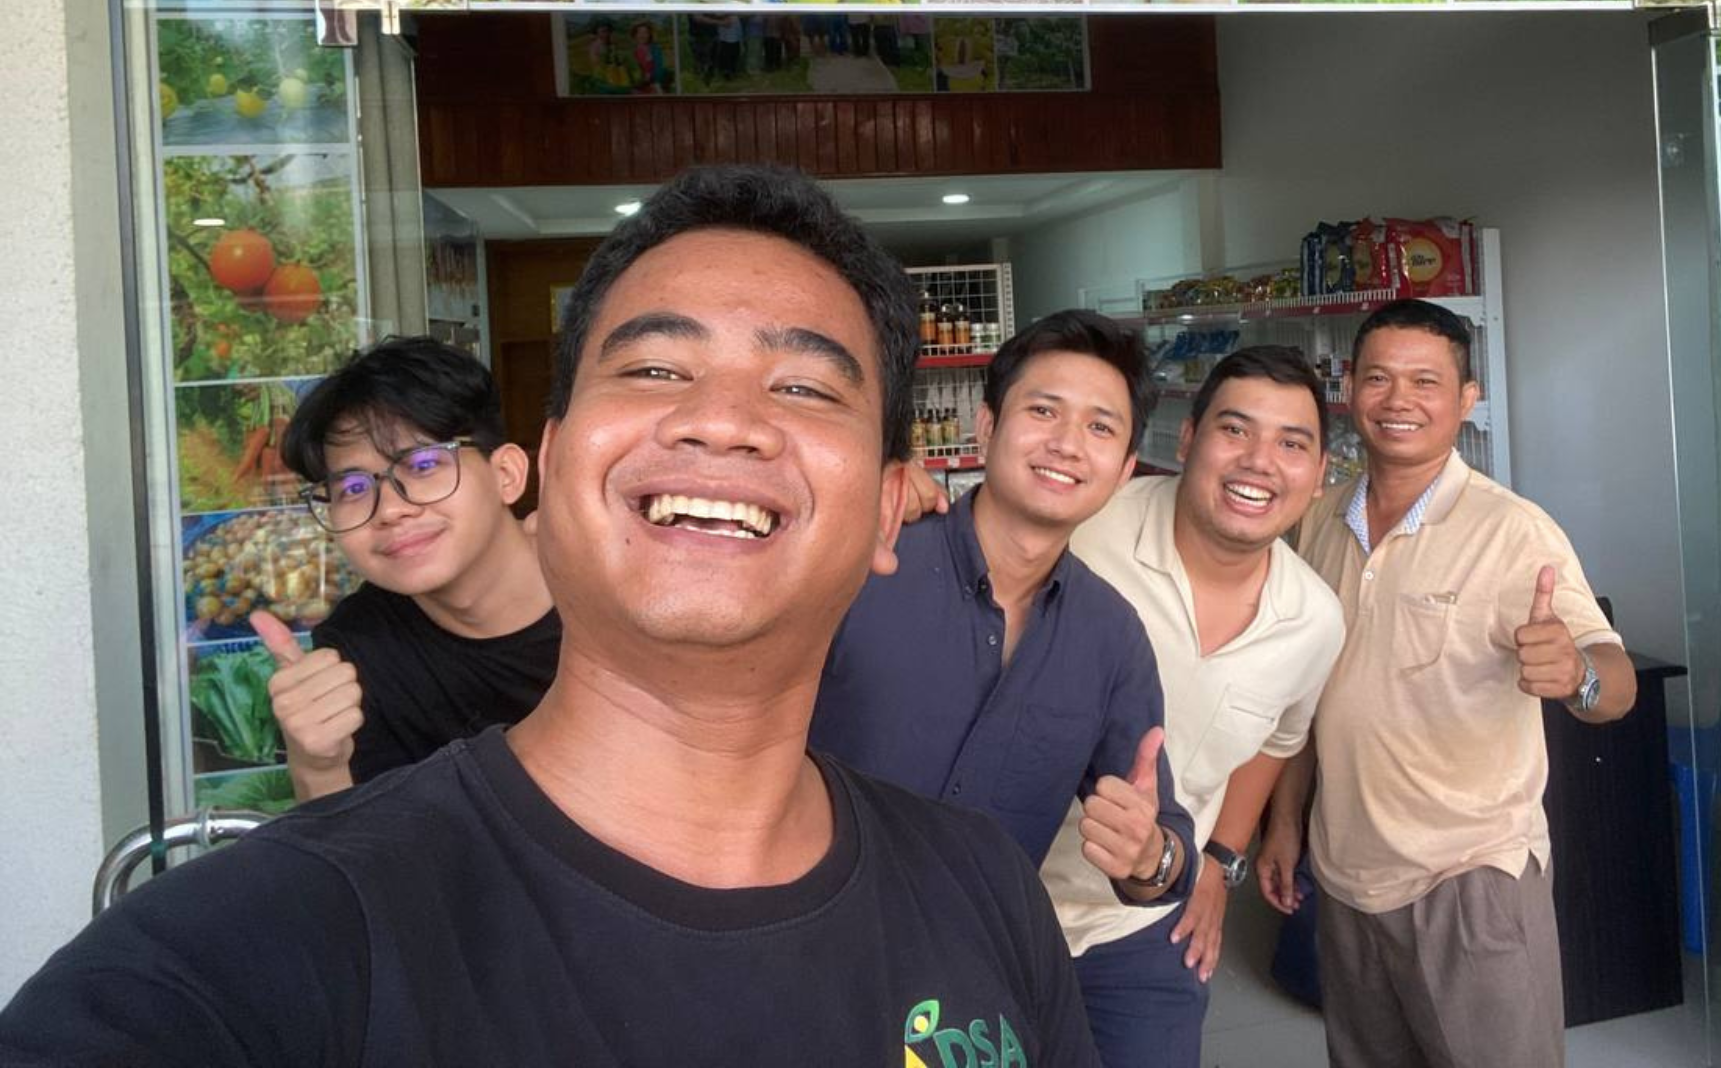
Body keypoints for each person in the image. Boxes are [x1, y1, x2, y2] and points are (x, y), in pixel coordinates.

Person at [0, 166, 1097, 1067]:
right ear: (556, 461)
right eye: (656, 366)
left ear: (888, 503)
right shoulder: (263, 947)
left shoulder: (982, 888)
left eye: (805, 389)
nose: (721, 420)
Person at [908, 345, 1347, 1068]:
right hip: (984, 906)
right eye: (1235, 430)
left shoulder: (1314, 620)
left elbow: (1276, 741)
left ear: (1320, 473)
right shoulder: (1086, 521)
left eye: (1292, 443)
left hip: (1140, 917)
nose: (1259, 461)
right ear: (1187, 440)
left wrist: (1217, 860)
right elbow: (979, 536)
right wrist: (893, 487)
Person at [1258, 298, 1638, 1068]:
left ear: (1466, 399)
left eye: (1426, 382)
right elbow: (1303, 694)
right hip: (1347, 872)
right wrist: (1285, 822)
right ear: (1350, 389)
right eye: (1379, 379)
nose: (1399, 402)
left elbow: (1616, 680)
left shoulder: (1512, 529)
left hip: (1471, 879)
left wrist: (1578, 678)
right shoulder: (1318, 520)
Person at [813, 310, 1197, 907]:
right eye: (1043, 411)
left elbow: (1163, 849)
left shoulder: (1110, 636)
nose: (1066, 444)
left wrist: (1150, 856)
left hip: (973, 963)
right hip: (803, 929)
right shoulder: (869, 560)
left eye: (1100, 428)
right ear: (987, 426)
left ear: (1124, 471)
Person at [256, 335, 556, 801]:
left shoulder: (616, 590)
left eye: (422, 463)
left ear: (507, 475)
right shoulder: (357, 650)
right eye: (353, 488)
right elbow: (360, 858)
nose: (390, 509)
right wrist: (319, 766)